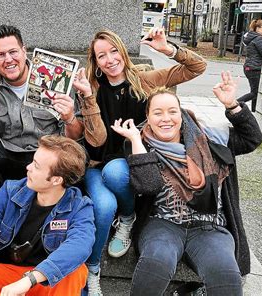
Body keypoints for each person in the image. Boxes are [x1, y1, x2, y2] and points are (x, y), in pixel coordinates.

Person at [72, 27, 206, 295]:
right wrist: (87, 97)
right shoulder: (90, 87)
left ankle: (128, 216)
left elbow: (197, 67)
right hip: (98, 165)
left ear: (122, 51)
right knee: (103, 204)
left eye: (113, 52)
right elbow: (96, 141)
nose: (109, 60)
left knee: (116, 172)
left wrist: (167, 48)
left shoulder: (145, 81)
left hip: (133, 164)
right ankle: (94, 269)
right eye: (101, 56)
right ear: (95, 62)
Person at [111, 72, 262, 295]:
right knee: (154, 265)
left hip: (210, 226)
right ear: (148, 116)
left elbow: (252, 139)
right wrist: (134, 140)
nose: (166, 118)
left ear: (181, 115)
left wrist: (232, 105)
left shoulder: (209, 139)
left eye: (172, 111)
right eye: (158, 112)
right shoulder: (139, 144)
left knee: (227, 277)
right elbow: (149, 185)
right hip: (162, 224)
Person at [0, 135, 95, 296]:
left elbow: (79, 246)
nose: (28, 167)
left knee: (76, 271)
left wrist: (30, 279)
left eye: (36, 166)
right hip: (9, 277)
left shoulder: (80, 207)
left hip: (45, 280)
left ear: (56, 180)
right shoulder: (11, 191)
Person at [0, 24, 84, 214]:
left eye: (13, 52)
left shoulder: (54, 78)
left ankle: (50, 215)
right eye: (1, 55)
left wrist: (69, 118)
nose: (8, 60)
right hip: (9, 152)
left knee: (78, 158)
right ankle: (7, 210)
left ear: (24, 51)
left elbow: (73, 138)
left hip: (46, 153)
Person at [237, 19, 262, 112]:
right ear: (258, 28)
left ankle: (254, 111)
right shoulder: (258, 38)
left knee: (256, 92)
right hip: (254, 68)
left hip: (249, 67)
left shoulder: (251, 37)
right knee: (255, 93)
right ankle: (235, 103)